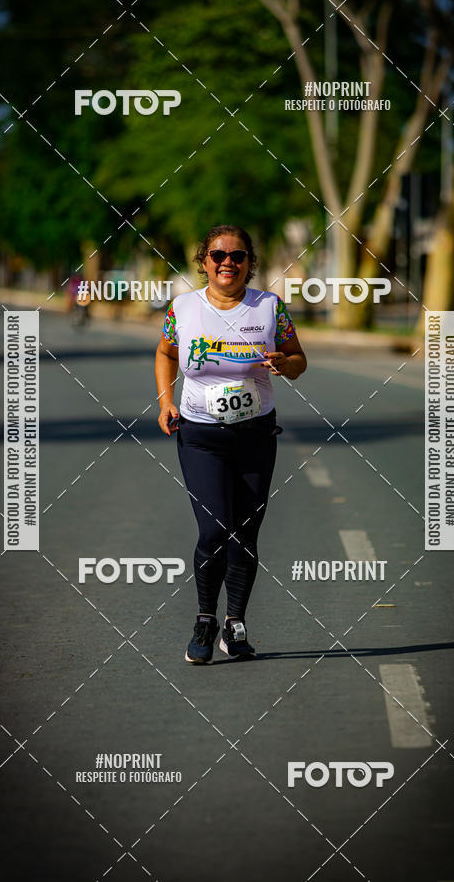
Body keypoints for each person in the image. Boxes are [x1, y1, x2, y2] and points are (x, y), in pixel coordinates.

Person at [155, 224, 307, 664]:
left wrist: (285, 363)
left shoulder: (270, 308)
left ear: (249, 264)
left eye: (238, 256)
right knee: (214, 529)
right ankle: (205, 619)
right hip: (201, 435)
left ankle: (235, 624)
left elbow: (299, 360)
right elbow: (166, 353)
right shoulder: (183, 308)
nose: (228, 263)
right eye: (218, 255)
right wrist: (166, 401)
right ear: (204, 262)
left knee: (246, 532)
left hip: (255, 434)